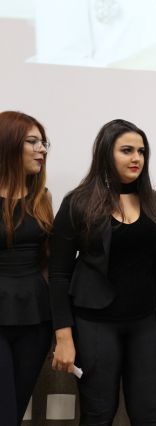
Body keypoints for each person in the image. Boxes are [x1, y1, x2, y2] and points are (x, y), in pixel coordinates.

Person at [49, 119, 156, 425]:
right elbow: (58, 275)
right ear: (106, 153)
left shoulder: (154, 203)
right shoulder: (78, 202)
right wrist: (63, 337)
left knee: (148, 413)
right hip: (95, 324)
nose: (137, 158)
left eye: (141, 151)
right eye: (127, 150)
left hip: (146, 324)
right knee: (98, 414)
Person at [0, 111, 53, 425]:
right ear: (8, 144)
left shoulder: (41, 199)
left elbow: (49, 263)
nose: (41, 149)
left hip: (35, 317)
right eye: (32, 142)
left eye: (43, 143)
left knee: (15, 412)